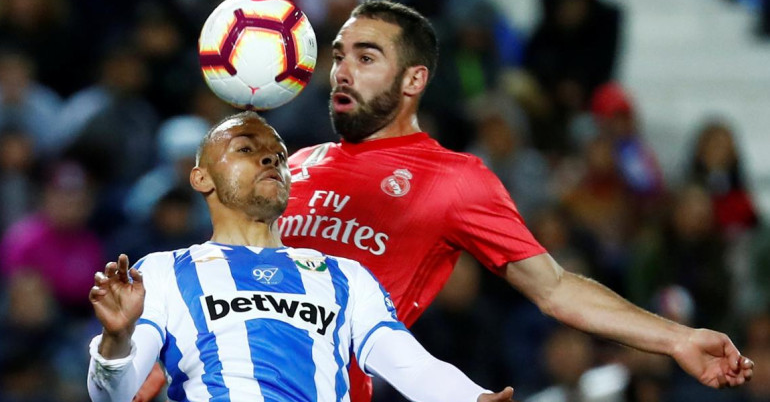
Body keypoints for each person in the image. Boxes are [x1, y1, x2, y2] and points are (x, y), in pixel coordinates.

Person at [277, 0, 755, 402]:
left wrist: (679, 339)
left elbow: (556, 289)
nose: (341, 72)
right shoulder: (293, 166)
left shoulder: (454, 180)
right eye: (339, 56)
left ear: (413, 81)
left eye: (365, 58)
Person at [86, 111, 514, 402]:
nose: (270, 156)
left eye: (277, 153)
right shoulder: (162, 272)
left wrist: (472, 396)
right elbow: (112, 394)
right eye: (245, 149)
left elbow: (410, 365)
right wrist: (116, 340)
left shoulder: (345, 276)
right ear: (201, 178)